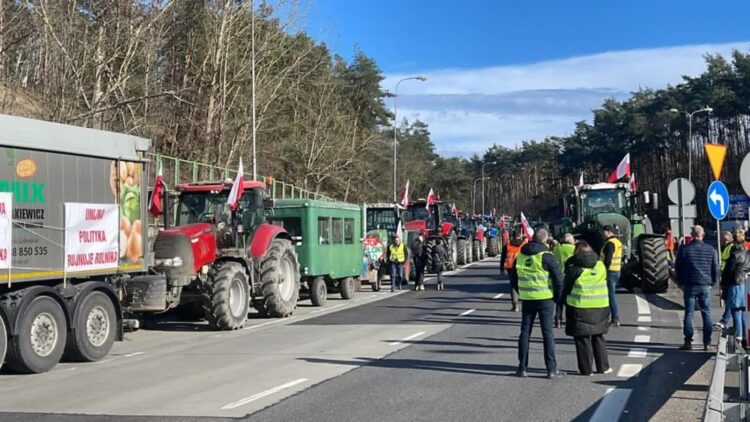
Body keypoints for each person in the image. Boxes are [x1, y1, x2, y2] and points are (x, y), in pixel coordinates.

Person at [510, 228, 565, 379]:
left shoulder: (520, 255)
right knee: (547, 334)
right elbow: (559, 278)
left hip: (527, 298)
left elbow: (513, 279)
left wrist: (521, 292)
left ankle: (522, 368)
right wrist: (557, 297)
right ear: (546, 240)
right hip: (546, 298)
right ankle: (551, 369)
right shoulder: (547, 256)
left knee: (525, 332)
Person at [563, 241, 613, 376]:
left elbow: (566, 288)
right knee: (599, 336)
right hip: (601, 305)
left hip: (580, 307)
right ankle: (603, 367)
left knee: (582, 338)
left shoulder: (574, 268)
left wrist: (561, 303)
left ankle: (586, 370)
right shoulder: (601, 265)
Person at [675, 225, 719, 352]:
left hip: (689, 285)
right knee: (706, 313)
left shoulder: (685, 249)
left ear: (692, 235)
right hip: (705, 285)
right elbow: (715, 269)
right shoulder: (711, 250)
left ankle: (688, 342)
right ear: (702, 234)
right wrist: (713, 282)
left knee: (689, 313)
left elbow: (678, 268)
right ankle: (707, 343)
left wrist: (681, 282)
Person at [720, 230, 749, 349]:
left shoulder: (735, 254)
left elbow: (728, 271)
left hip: (735, 283)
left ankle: (739, 336)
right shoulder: (746, 253)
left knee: (735, 310)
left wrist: (722, 284)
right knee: (742, 311)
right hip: (744, 283)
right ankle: (744, 335)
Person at [600, 225, 622, 327]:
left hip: (610, 272)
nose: (602, 234)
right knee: (610, 295)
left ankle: (615, 318)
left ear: (609, 232)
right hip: (616, 271)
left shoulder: (610, 244)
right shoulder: (617, 242)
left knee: (610, 296)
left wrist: (603, 271)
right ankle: (613, 317)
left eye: (604, 232)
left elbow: (608, 260)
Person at [553, 233, 576, 328]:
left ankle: (558, 320)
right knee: (570, 299)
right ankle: (570, 319)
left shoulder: (556, 248)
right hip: (570, 276)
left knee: (559, 300)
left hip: (559, 275)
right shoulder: (573, 249)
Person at [715, 231, 735, 330]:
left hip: (729, 277)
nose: (721, 241)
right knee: (729, 300)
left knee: (730, 300)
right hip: (726, 276)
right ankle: (728, 320)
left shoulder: (730, 247)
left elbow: (729, 264)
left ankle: (725, 320)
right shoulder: (727, 247)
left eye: (723, 240)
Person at [502, 231, 526, 312]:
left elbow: (503, 258)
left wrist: (501, 269)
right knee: (523, 286)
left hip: (511, 268)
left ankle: (515, 305)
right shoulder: (524, 245)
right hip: (522, 268)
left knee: (513, 286)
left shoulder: (508, 245)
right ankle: (525, 304)